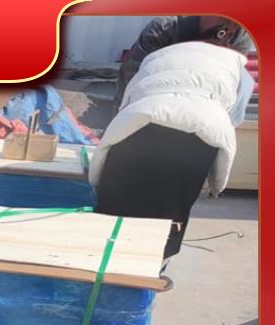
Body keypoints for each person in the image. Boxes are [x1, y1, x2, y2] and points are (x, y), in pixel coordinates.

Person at [91, 37, 253, 260]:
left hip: (139, 121)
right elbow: (233, 118)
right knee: (171, 209)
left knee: (115, 201)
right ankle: (153, 264)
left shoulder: (160, 55)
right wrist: (215, 180)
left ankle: (100, 259)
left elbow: (130, 95)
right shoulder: (239, 70)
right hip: (200, 131)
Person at [112, 16, 252, 116]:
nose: (230, 29)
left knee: (245, 81)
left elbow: (230, 84)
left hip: (202, 108)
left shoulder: (241, 36)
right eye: (225, 20)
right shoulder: (163, 27)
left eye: (237, 24)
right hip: (148, 101)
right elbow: (134, 78)